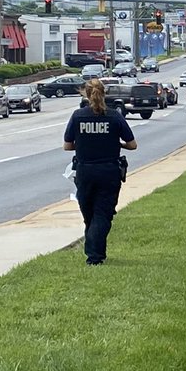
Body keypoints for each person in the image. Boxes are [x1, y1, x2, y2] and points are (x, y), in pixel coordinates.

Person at [63, 78, 137, 266]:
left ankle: (94, 254)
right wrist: (115, 143)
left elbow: (67, 146)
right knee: (102, 214)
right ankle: (95, 255)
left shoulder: (77, 116)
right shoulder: (114, 116)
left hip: (84, 172)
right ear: (104, 94)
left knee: (89, 214)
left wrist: (85, 143)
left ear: (86, 95)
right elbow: (132, 144)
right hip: (109, 172)